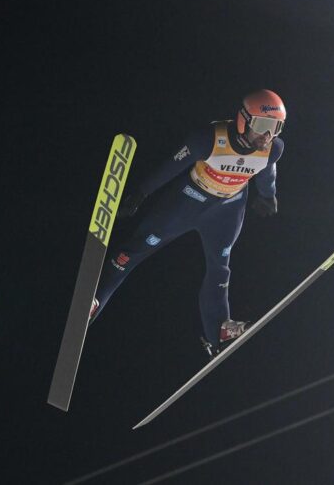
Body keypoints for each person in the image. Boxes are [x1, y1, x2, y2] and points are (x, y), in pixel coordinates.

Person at [89, 89, 287, 358]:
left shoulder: (272, 148)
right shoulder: (208, 138)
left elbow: (267, 172)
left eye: (275, 128)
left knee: (220, 267)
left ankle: (217, 329)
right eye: (263, 126)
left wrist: (268, 196)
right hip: (188, 201)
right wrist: (141, 193)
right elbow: (172, 165)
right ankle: (95, 299)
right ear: (243, 119)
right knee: (135, 250)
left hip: (226, 212)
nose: (267, 136)